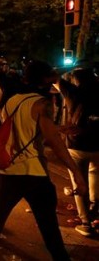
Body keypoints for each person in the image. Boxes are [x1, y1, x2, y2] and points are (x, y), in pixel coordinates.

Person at [0, 60, 88, 261]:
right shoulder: (41, 104)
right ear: (45, 79)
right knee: (48, 226)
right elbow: (53, 142)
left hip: (10, 170)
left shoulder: (11, 101)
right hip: (34, 172)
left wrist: (56, 129)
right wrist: (76, 172)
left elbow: (20, 130)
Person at [55, 66, 99, 236]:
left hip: (77, 145)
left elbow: (53, 75)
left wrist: (71, 65)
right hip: (97, 145)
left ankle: (86, 223)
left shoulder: (73, 92)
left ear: (76, 79)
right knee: (95, 177)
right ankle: (95, 212)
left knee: (79, 181)